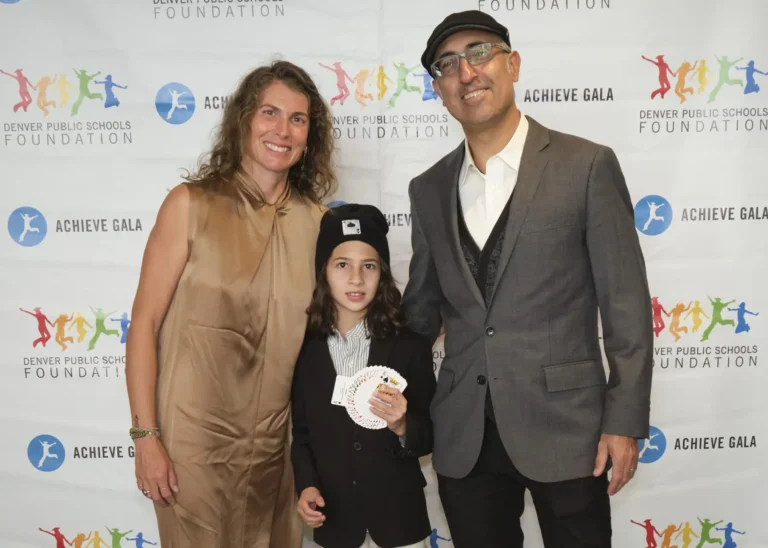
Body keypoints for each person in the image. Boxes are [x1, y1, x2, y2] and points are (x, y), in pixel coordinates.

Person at [402, 10, 654, 548]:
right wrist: (350, 334)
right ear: (439, 90)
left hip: (570, 430)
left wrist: (624, 420)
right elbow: (420, 314)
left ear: (512, 64)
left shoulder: (585, 165)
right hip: (463, 436)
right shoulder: (426, 189)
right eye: (447, 65)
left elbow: (626, 305)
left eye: (479, 54)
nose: (466, 73)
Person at [124, 60, 337, 547]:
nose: (282, 130)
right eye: (269, 113)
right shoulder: (190, 204)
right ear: (243, 119)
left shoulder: (318, 224)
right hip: (192, 446)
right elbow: (144, 323)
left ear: (310, 135)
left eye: (298, 119)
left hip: (277, 449)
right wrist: (145, 438)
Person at [291, 204, 436, 548]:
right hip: (335, 522)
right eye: (342, 265)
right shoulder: (303, 350)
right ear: (323, 271)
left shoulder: (409, 346)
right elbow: (303, 434)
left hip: (400, 522)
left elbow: (431, 433)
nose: (356, 279)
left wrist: (403, 425)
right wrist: (307, 486)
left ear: (382, 274)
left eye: (368, 266)